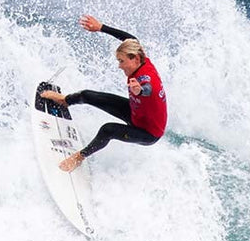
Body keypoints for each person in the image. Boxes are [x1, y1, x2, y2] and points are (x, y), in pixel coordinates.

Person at [41, 15, 167, 172]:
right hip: (136, 113)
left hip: (147, 132)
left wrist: (140, 90)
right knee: (87, 95)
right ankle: (65, 100)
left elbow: (148, 88)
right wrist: (101, 27)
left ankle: (79, 158)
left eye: (122, 61)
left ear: (134, 59)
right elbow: (131, 39)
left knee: (108, 130)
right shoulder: (142, 59)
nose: (120, 66)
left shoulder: (146, 78)